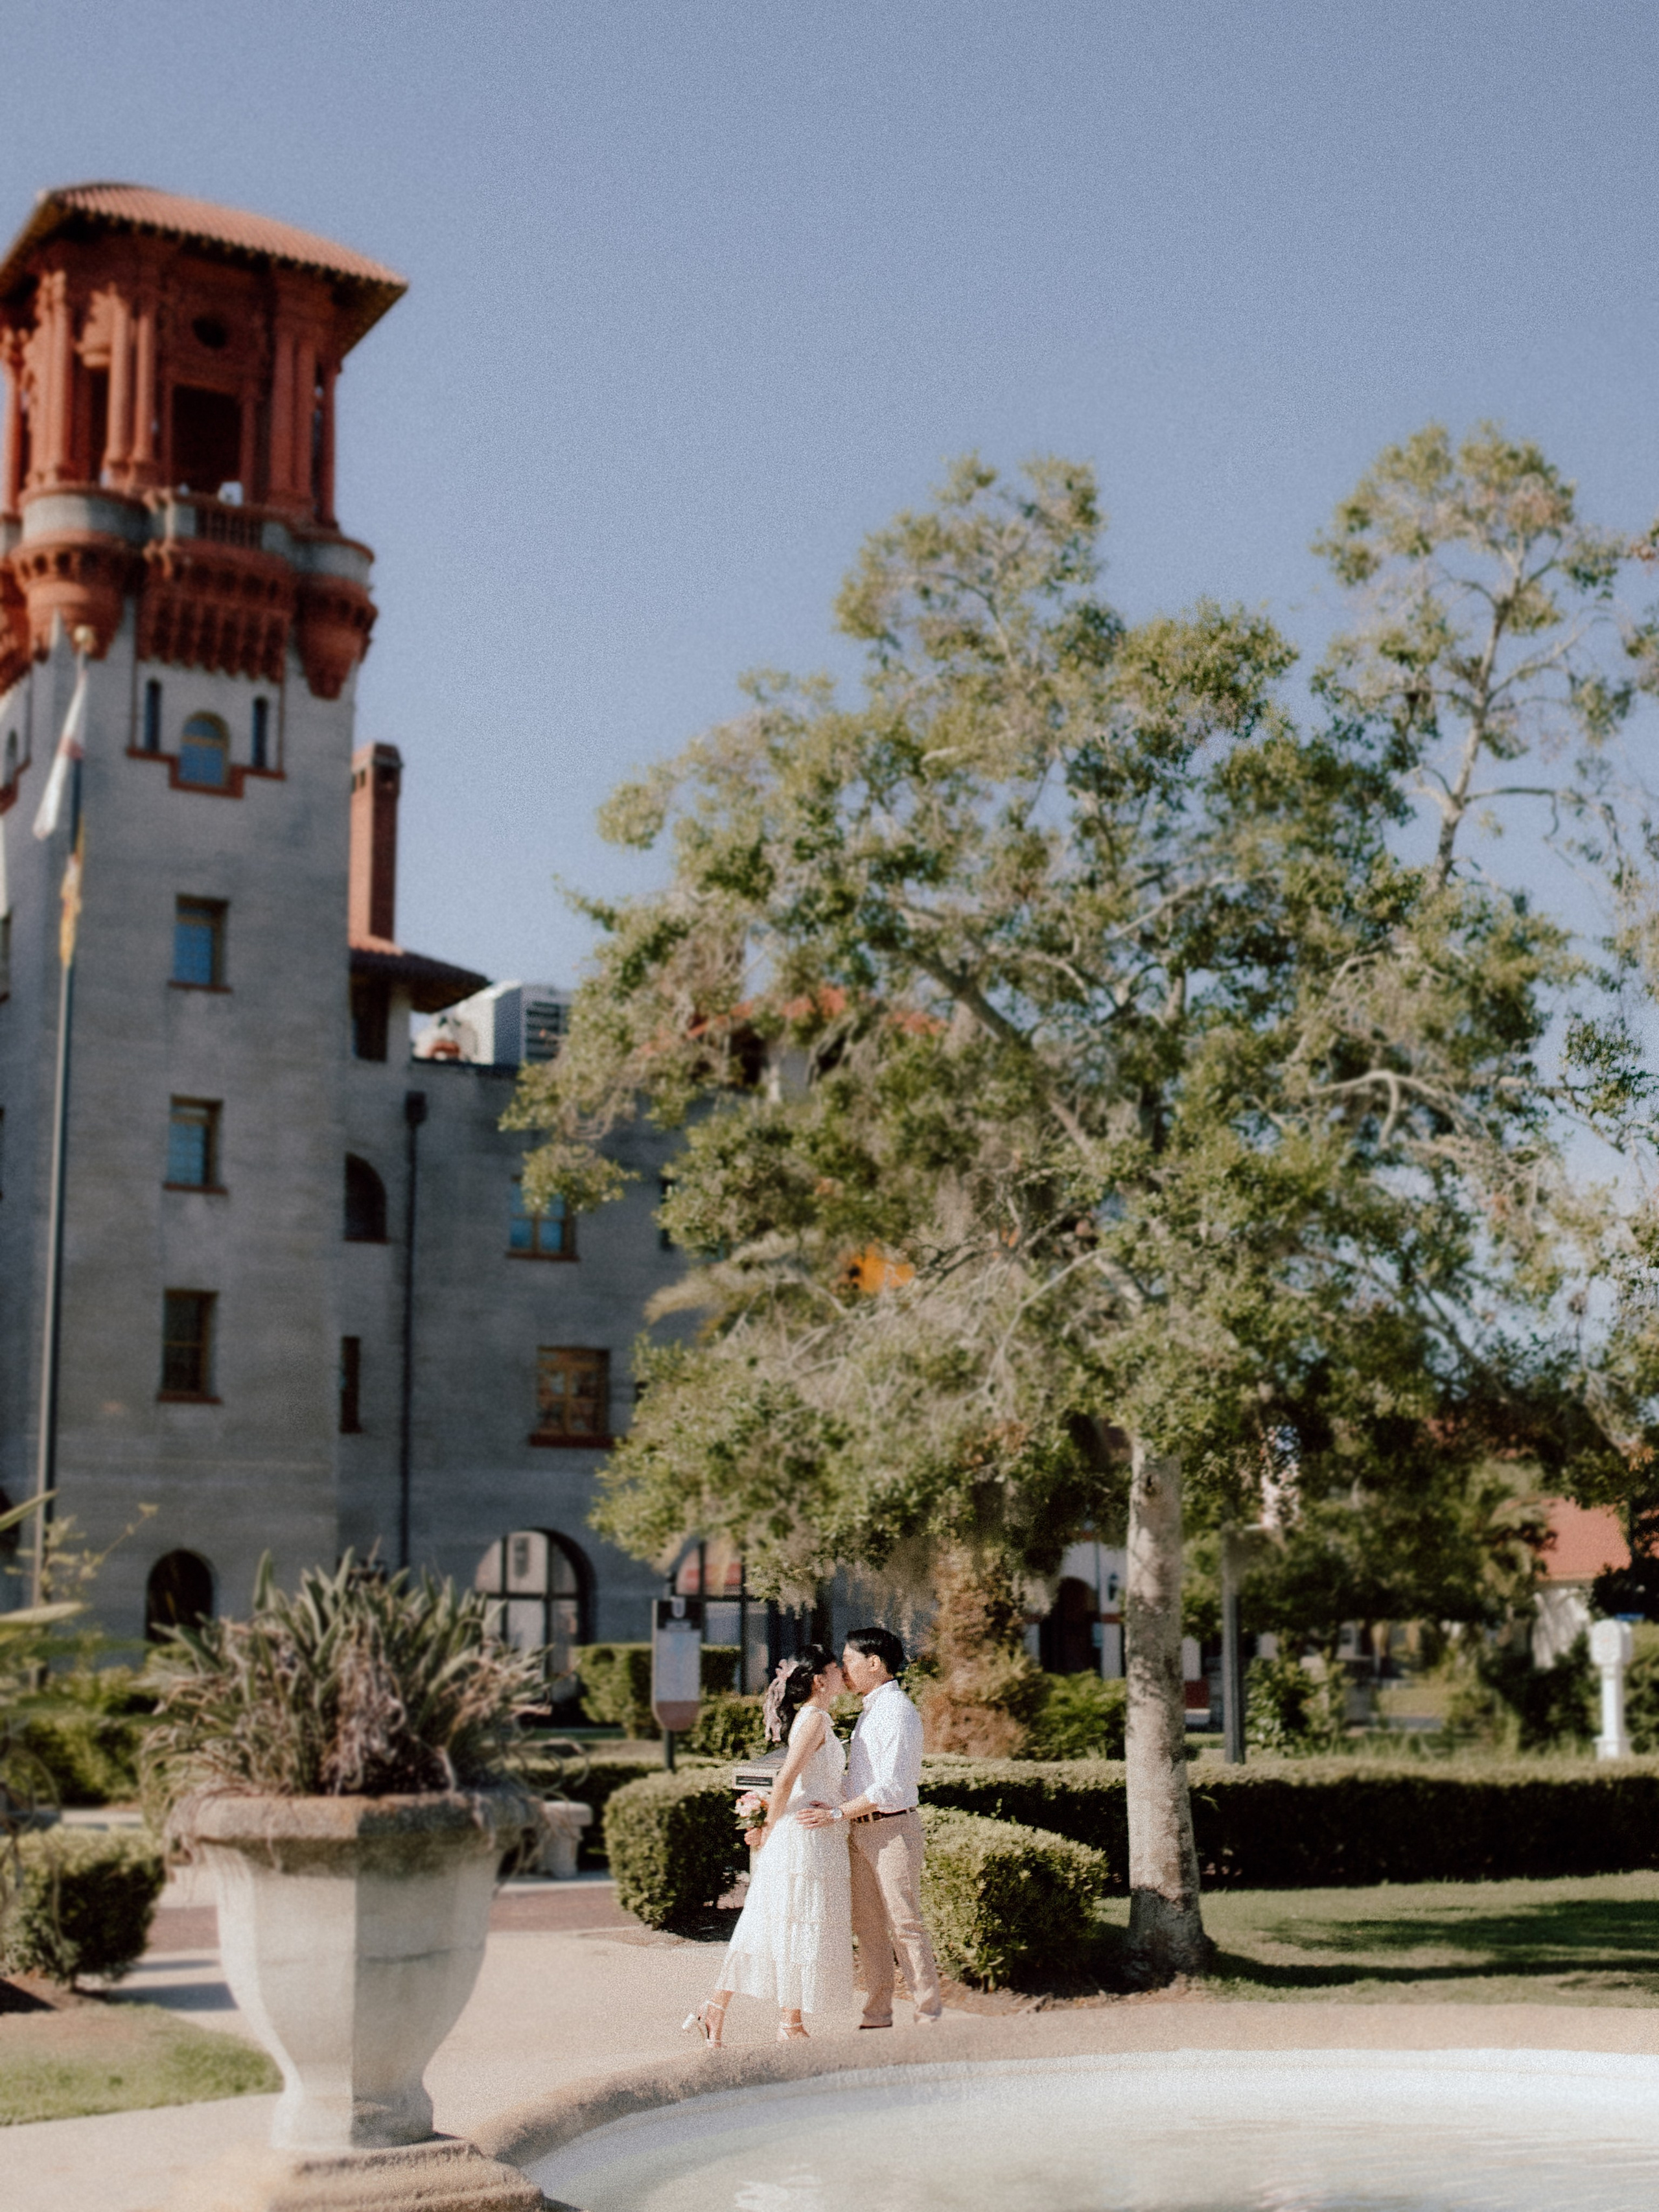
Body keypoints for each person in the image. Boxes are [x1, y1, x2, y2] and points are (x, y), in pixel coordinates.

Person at [683, 1642, 855, 2045]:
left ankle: (766, 2019)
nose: (843, 1673)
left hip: (817, 1832)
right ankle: (776, 2022)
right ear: (819, 1680)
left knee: (790, 1923)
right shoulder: (814, 1719)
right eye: (836, 1668)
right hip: (803, 1837)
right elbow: (785, 1779)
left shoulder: (818, 1719)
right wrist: (769, 1832)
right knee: (786, 1921)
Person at [796, 1625, 942, 2028]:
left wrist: (836, 1814)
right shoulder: (871, 1710)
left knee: (905, 1924)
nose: (843, 1670)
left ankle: (928, 2015)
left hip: (892, 1831)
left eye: (848, 1661)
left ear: (874, 1663)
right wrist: (835, 1804)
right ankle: (877, 2013)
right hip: (860, 1829)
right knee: (868, 1926)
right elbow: (862, 1779)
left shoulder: (896, 1711)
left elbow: (890, 1787)